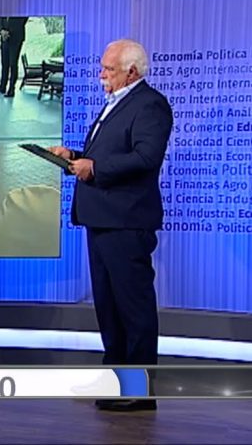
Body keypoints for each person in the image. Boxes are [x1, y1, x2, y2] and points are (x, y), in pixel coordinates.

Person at [49, 39, 173, 412]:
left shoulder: (150, 104)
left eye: (109, 69)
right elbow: (107, 155)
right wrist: (74, 157)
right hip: (101, 218)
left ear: (131, 72)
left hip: (126, 221)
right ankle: (114, 378)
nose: (101, 74)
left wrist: (96, 168)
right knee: (108, 305)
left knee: (132, 307)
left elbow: (146, 157)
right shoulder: (115, 103)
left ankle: (139, 388)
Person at [0, 17, 28, 98]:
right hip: (4, 38)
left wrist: (9, 32)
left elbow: (22, 21)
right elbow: (0, 19)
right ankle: (2, 86)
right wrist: (1, 30)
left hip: (16, 38)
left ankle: (11, 89)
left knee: (13, 64)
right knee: (4, 64)